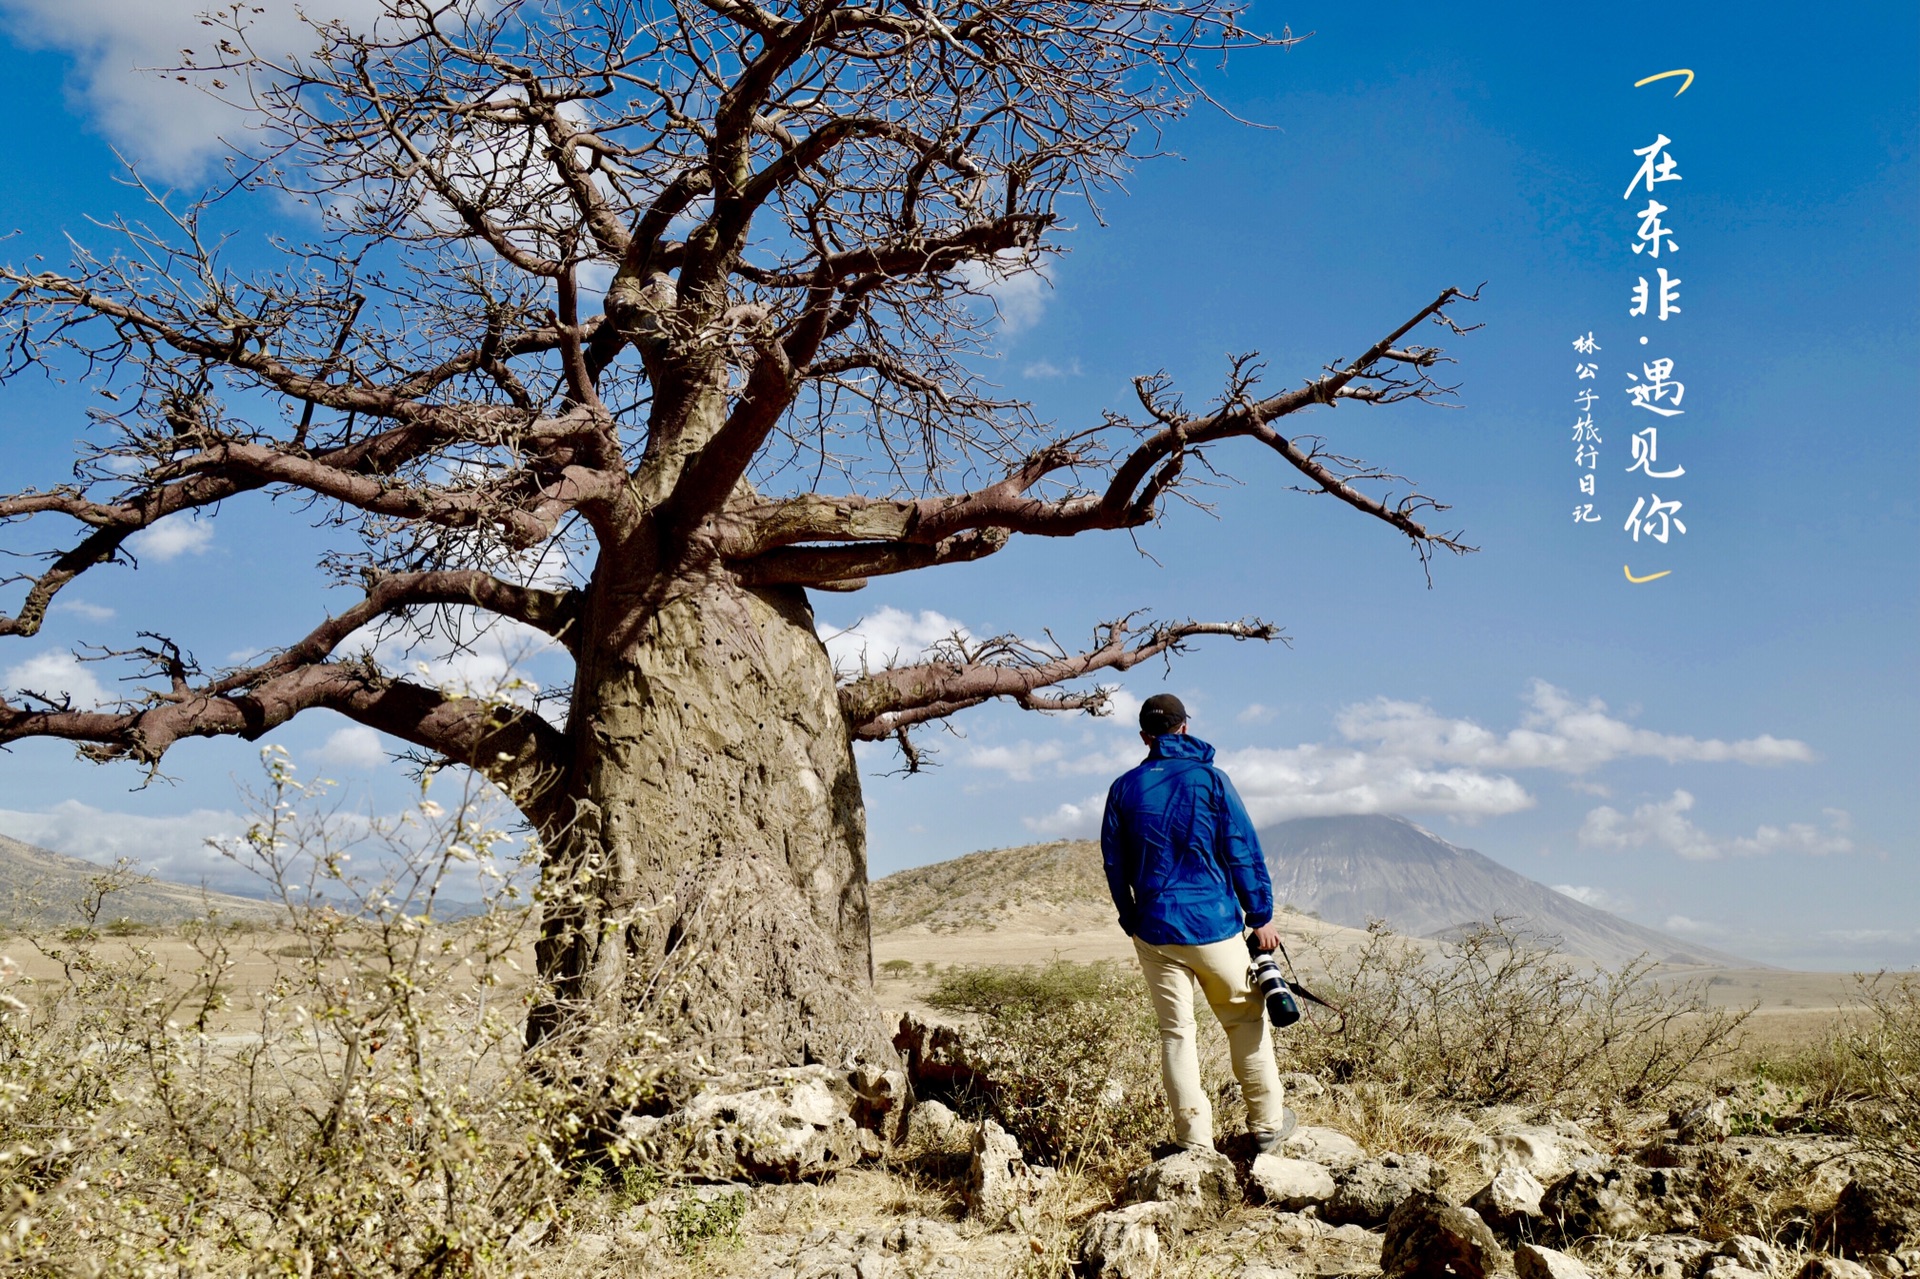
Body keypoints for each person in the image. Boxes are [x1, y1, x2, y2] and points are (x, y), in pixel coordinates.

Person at [1100, 692, 1296, 1154]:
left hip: (1155, 930)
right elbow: (1241, 849)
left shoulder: (1123, 788)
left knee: (1176, 1034)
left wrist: (1131, 918)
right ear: (1184, 727)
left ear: (1145, 735)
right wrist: (1261, 916)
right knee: (1245, 1020)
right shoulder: (1212, 780)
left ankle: (1194, 1142)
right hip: (1213, 927)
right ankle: (1267, 1124)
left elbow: (1114, 863)